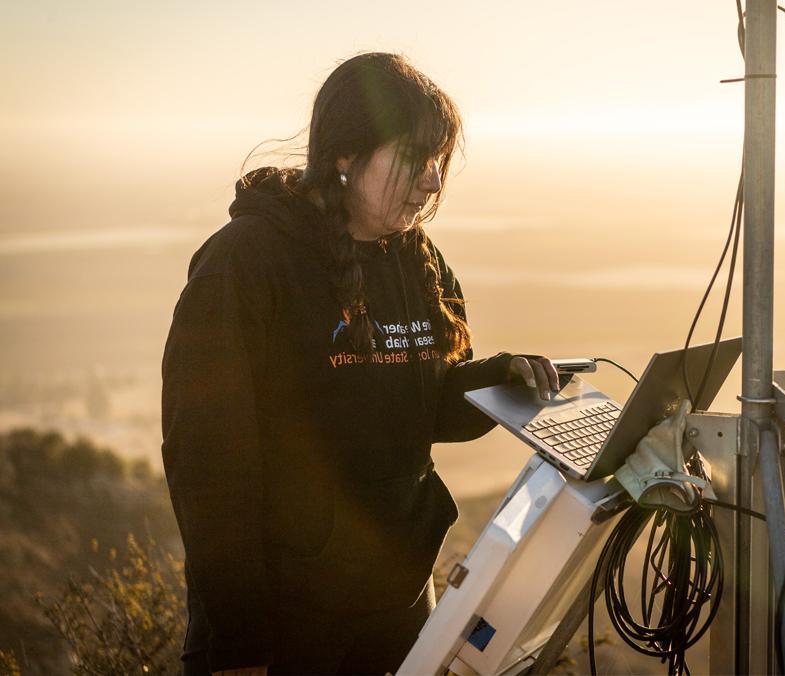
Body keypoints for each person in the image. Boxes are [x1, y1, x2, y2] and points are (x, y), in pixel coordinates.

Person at [161, 52, 559, 675]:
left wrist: (500, 378)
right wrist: (239, 646)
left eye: (438, 163)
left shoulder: (416, 261)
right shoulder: (245, 263)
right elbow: (208, 467)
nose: (432, 182)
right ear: (346, 156)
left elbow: (420, 404)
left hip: (396, 605)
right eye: (416, 159)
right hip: (279, 627)